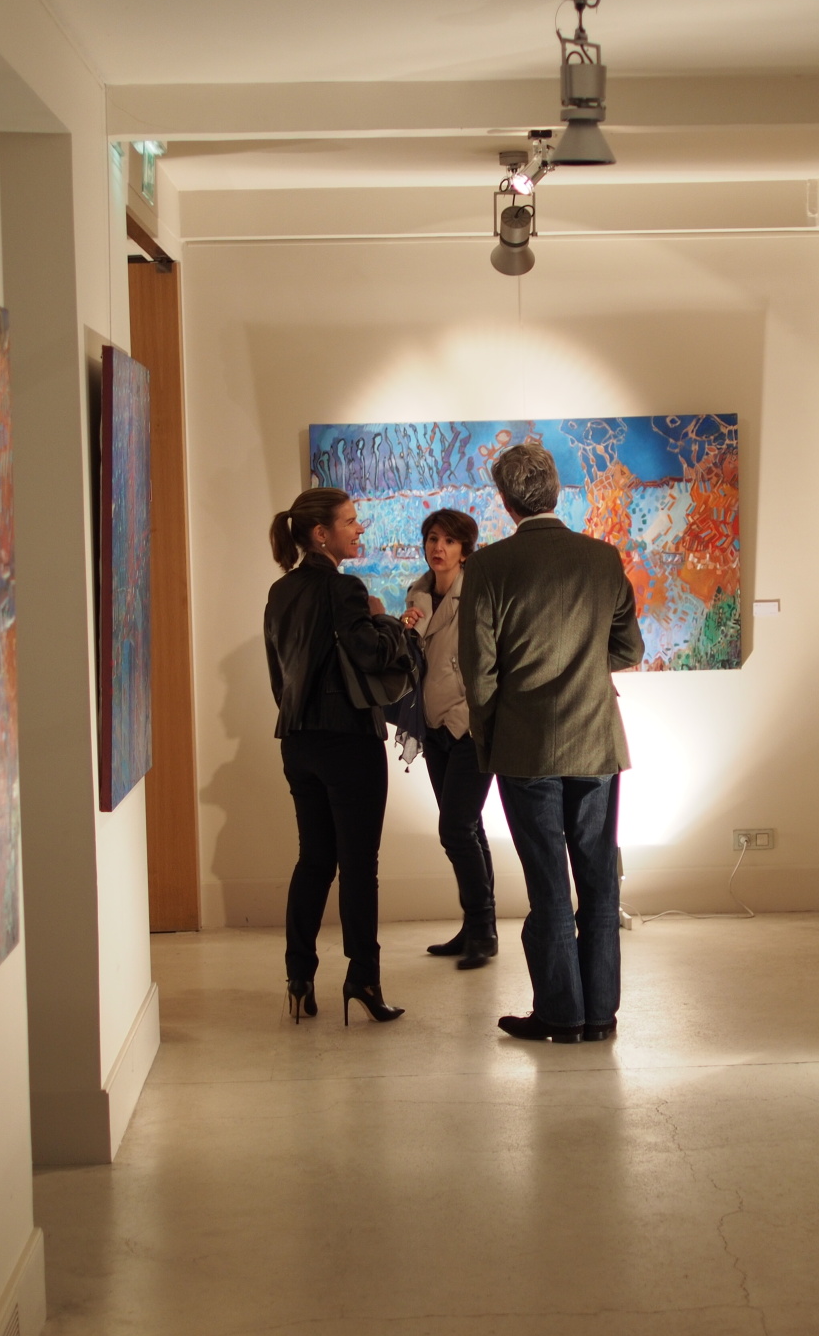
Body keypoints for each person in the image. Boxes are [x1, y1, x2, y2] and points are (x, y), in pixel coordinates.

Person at [458, 445, 644, 1044]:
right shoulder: (601, 557)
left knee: (548, 883)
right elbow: (629, 648)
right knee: (599, 879)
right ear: (556, 491)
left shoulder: (488, 566)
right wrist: (586, 665)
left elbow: (478, 674)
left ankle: (562, 1015)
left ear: (506, 501)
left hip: (526, 747)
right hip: (596, 741)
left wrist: (490, 739)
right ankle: (600, 1014)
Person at [264, 488, 413, 1026]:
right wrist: (389, 623)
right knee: (358, 866)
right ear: (321, 533)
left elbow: (278, 676)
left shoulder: (280, 592)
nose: (360, 528)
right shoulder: (345, 588)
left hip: (298, 740)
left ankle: (298, 978)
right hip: (348, 738)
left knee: (314, 859)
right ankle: (363, 979)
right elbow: (370, 654)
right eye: (350, 521)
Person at [399, 510, 496, 970]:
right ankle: (477, 927)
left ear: (465, 550)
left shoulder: (477, 593)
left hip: (470, 724)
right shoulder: (418, 594)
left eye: (450, 541)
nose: (439, 548)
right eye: (433, 538)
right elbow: (414, 663)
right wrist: (402, 628)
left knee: (455, 829)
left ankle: (482, 929)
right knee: (469, 827)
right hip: (433, 724)